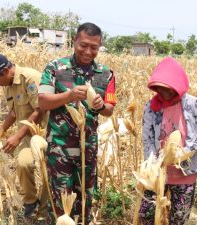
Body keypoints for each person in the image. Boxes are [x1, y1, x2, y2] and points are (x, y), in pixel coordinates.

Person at [38, 22, 116, 224]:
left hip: (87, 149)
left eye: (94, 47)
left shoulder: (106, 74)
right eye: (84, 45)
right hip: (59, 149)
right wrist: (69, 95)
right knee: (59, 200)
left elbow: (109, 110)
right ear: (74, 41)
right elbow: (43, 102)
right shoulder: (55, 68)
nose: (88, 51)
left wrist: (100, 106)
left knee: (85, 200)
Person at [139, 56, 197, 225]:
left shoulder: (194, 105)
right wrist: (153, 162)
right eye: (160, 89)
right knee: (147, 214)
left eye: (168, 89)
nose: (163, 93)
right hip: (156, 170)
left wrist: (181, 154)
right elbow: (147, 139)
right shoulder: (151, 107)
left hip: (185, 171)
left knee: (178, 217)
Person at [0, 53, 49, 218]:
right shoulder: (8, 84)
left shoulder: (31, 78)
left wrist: (17, 136)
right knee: (23, 163)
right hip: (27, 135)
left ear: (4, 71)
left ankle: (45, 210)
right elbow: (13, 111)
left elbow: (40, 110)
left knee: (49, 172)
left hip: (45, 134)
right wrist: (2, 129)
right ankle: (31, 201)